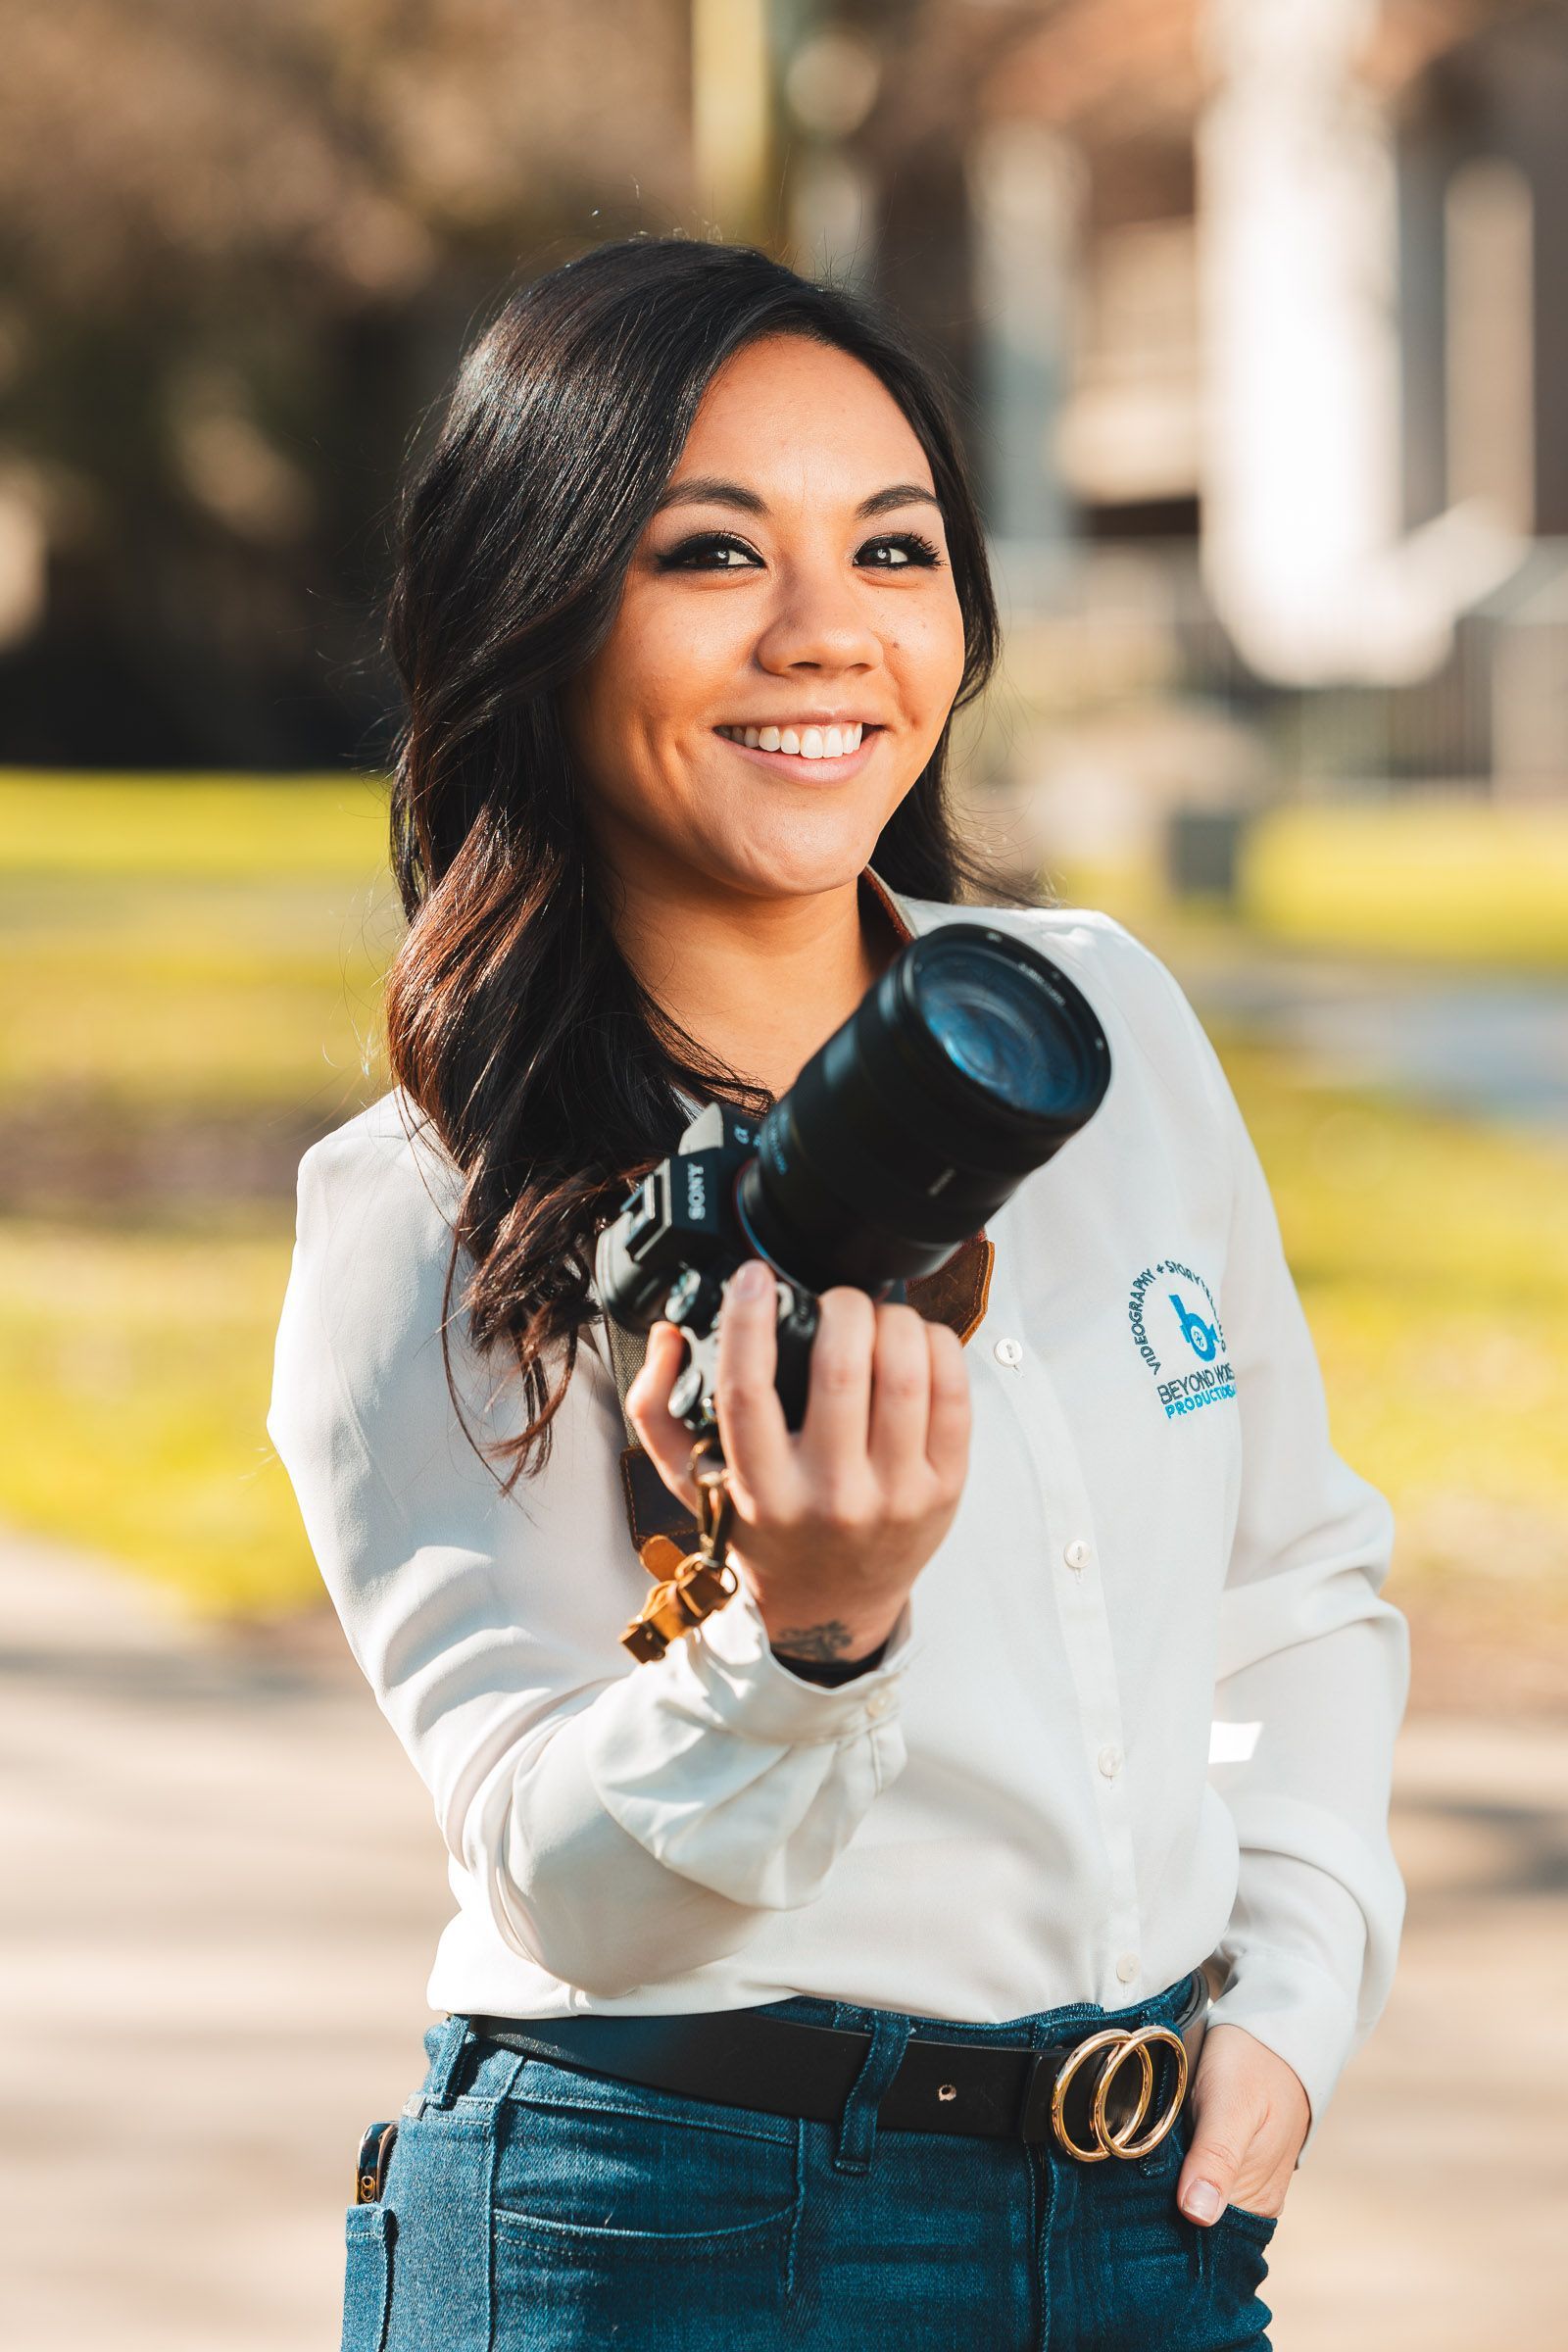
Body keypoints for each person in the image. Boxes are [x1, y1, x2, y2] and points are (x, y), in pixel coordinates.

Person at [267, 236, 1409, 2352]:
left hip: (1143, 2221)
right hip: (667, 2231)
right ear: (534, 611)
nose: (824, 634)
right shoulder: (425, 1213)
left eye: (889, 547)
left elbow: (1295, 1586)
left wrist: (1293, 1984)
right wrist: (803, 1649)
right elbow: (560, 1876)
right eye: (708, 554)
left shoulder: (1102, 1024)